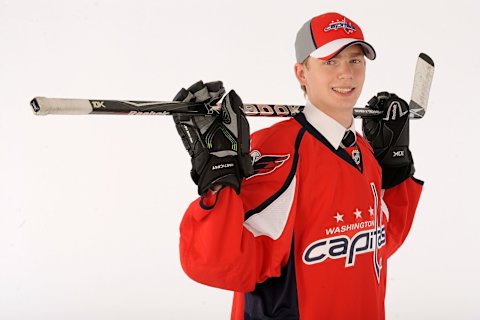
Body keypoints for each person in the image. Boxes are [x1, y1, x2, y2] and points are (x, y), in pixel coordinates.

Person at [172, 12, 423, 320]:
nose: (346, 73)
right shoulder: (278, 149)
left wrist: (395, 170)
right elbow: (217, 264)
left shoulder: (364, 152)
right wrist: (219, 179)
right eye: (330, 62)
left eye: (355, 61)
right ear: (302, 73)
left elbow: (375, 247)